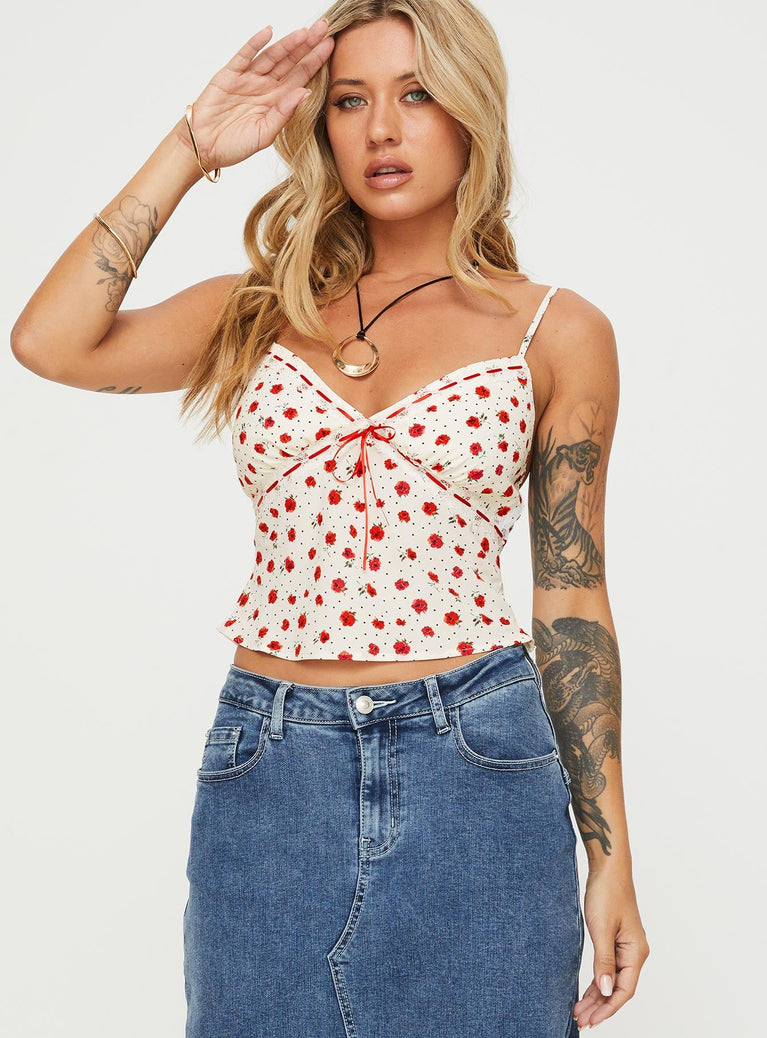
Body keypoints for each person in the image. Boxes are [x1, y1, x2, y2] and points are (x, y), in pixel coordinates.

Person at [11, 0, 649, 1034]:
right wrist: (192, 145)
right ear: (320, 127)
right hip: (270, 765)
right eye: (349, 101)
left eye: (416, 94)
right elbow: (51, 342)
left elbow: (571, 598)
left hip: (477, 766)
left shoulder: (554, 329)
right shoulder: (259, 310)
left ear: (471, 113)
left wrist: (609, 856)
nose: (381, 129)